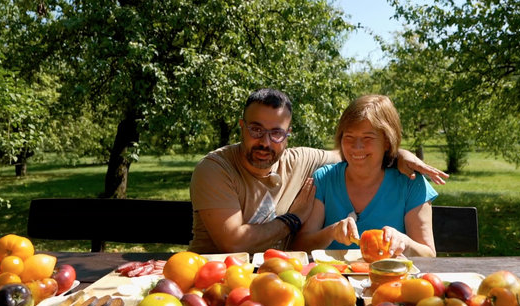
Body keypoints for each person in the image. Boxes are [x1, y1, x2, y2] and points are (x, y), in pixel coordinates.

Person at [189, 89, 448, 254]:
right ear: (241, 127)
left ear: (288, 135)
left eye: (277, 132)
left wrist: (400, 154)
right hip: (215, 277)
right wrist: (292, 220)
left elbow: (358, 155)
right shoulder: (215, 169)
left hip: (276, 277)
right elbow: (233, 243)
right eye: (256, 129)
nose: (266, 142)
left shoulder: (302, 160)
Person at [292, 94, 437, 257]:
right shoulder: (324, 179)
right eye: (349, 137)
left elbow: (429, 255)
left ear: (387, 141)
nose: (357, 146)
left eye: (367, 137)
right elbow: (299, 246)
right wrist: (332, 232)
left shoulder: (411, 182)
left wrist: (405, 242)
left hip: (390, 280)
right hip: (335, 279)